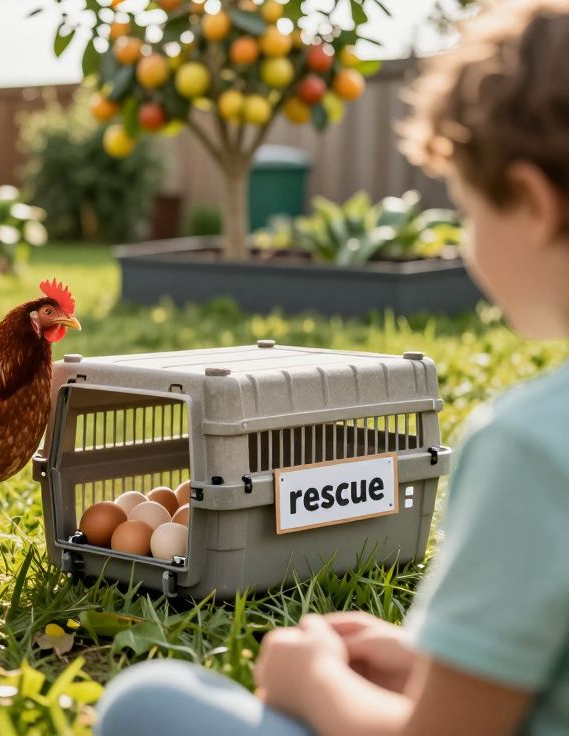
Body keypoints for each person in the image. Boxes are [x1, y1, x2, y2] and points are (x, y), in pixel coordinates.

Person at [96, 1, 569, 734]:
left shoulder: (530, 446)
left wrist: (313, 682)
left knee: (145, 701)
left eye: (470, 213)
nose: (466, 240)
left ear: (533, 205)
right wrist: (430, 662)